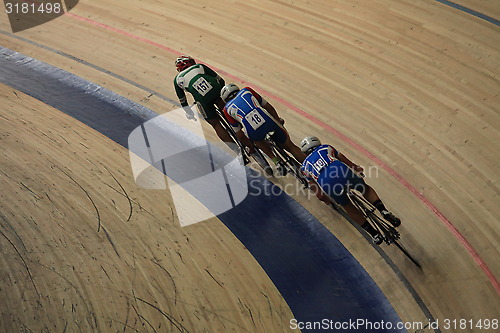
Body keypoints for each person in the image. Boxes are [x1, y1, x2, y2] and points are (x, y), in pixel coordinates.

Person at [300, 136, 401, 244]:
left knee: (347, 206)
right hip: (341, 170)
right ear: (318, 143)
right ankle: (383, 210)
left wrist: (326, 200)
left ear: (305, 153)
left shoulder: (304, 167)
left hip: (327, 182)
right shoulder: (325, 148)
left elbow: (319, 194)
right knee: (364, 188)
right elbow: (342, 158)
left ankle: (374, 234)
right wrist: (356, 168)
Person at [220, 83, 305, 175]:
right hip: (268, 121)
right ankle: (310, 168)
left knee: (257, 140)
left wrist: (250, 147)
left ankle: (276, 160)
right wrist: (278, 119)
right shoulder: (247, 90)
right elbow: (268, 106)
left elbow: (240, 134)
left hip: (253, 131)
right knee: (291, 146)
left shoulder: (227, 109)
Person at [173, 55, 233, 144]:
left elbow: (183, 100)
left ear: (179, 69)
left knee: (215, 123)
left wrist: (189, 112)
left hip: (201, 98)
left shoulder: (177, 79)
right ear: (191, 63)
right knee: (226, 108)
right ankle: (238, 126)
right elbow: (221, 80)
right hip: (215, 88)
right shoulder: (199, 66)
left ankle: (237, 149)